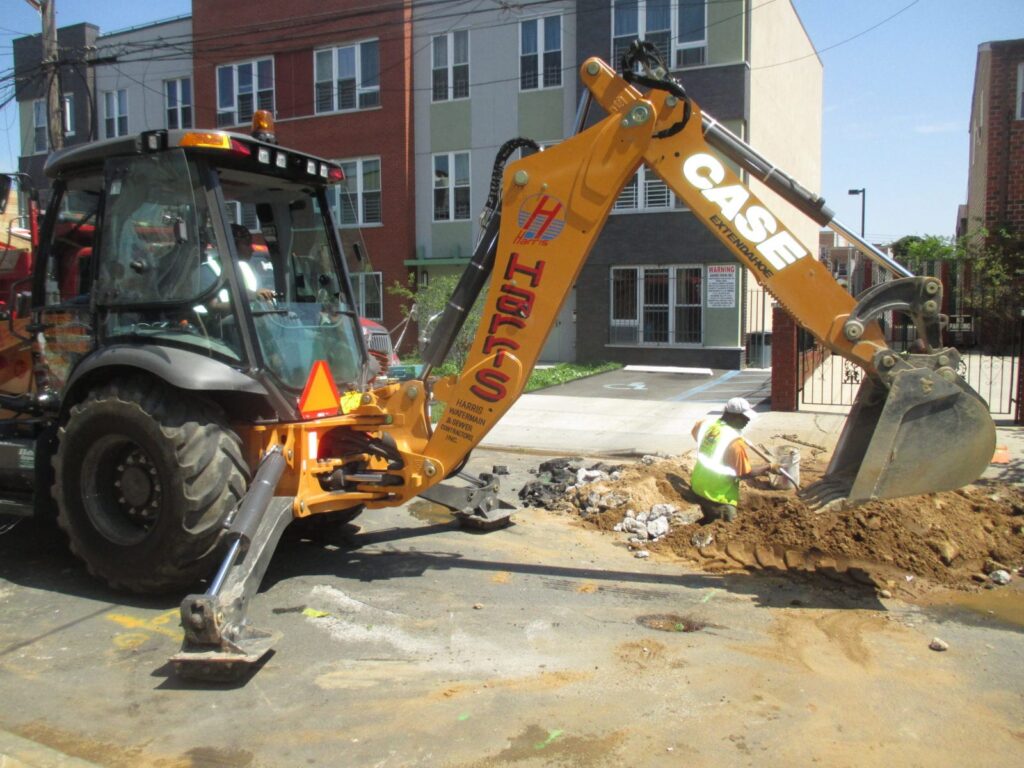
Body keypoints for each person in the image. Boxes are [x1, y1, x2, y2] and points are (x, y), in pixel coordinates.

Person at [690, 397, 777, 523]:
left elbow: (696, 434)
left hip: (697, 487)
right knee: (728, 530)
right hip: (717, 497)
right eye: (744, 417)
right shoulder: (734, 443)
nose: (747, 420)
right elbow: (745, 473)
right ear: (732, 416)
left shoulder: (706, 425)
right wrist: (768, 467)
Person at [231, 223, 276, 302]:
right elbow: (213, 306)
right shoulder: (211, 268)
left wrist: (261, 294)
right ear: (232, 245)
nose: (252, 249)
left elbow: (255, 292)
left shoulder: (245, 267)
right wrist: (255, 296)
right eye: (247, 244)